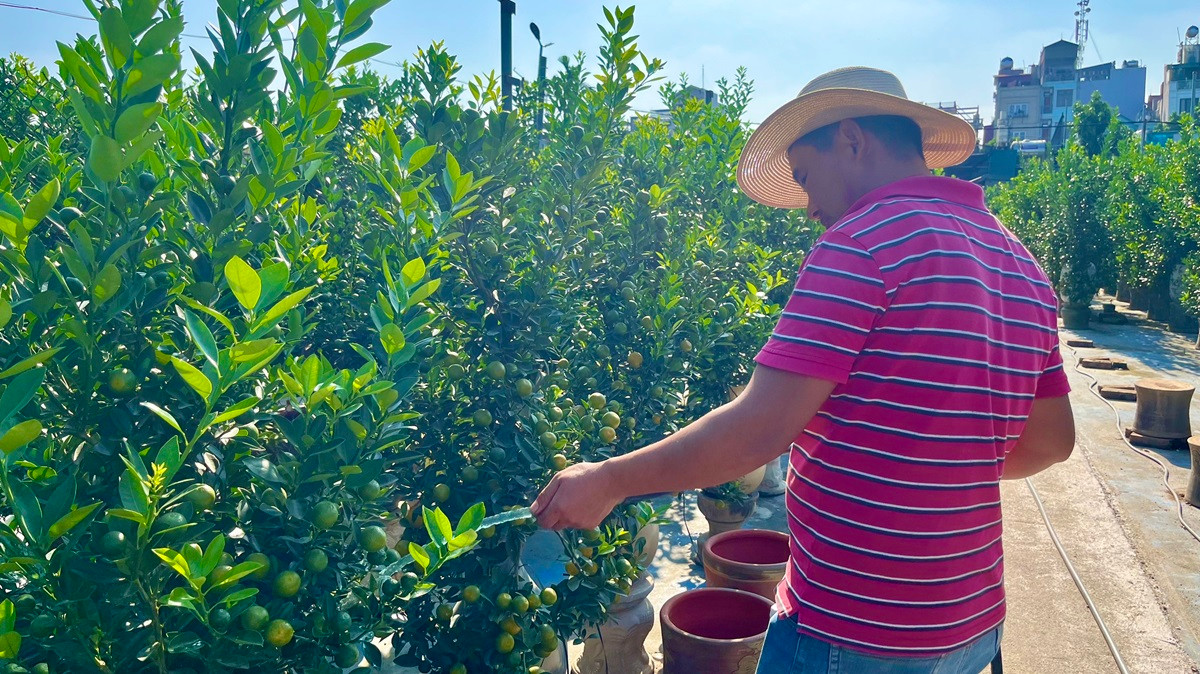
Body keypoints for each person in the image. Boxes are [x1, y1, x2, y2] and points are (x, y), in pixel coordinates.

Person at [531, 66, 1075, 673]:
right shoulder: (1017, 258)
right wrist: (940, 464)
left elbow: (756, 433)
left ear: (851, 139)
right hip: (971, 624)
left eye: (806, 178)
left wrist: (610, 480)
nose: (810, 207)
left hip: (857, 628)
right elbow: (1051, 442)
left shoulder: (861, 242)